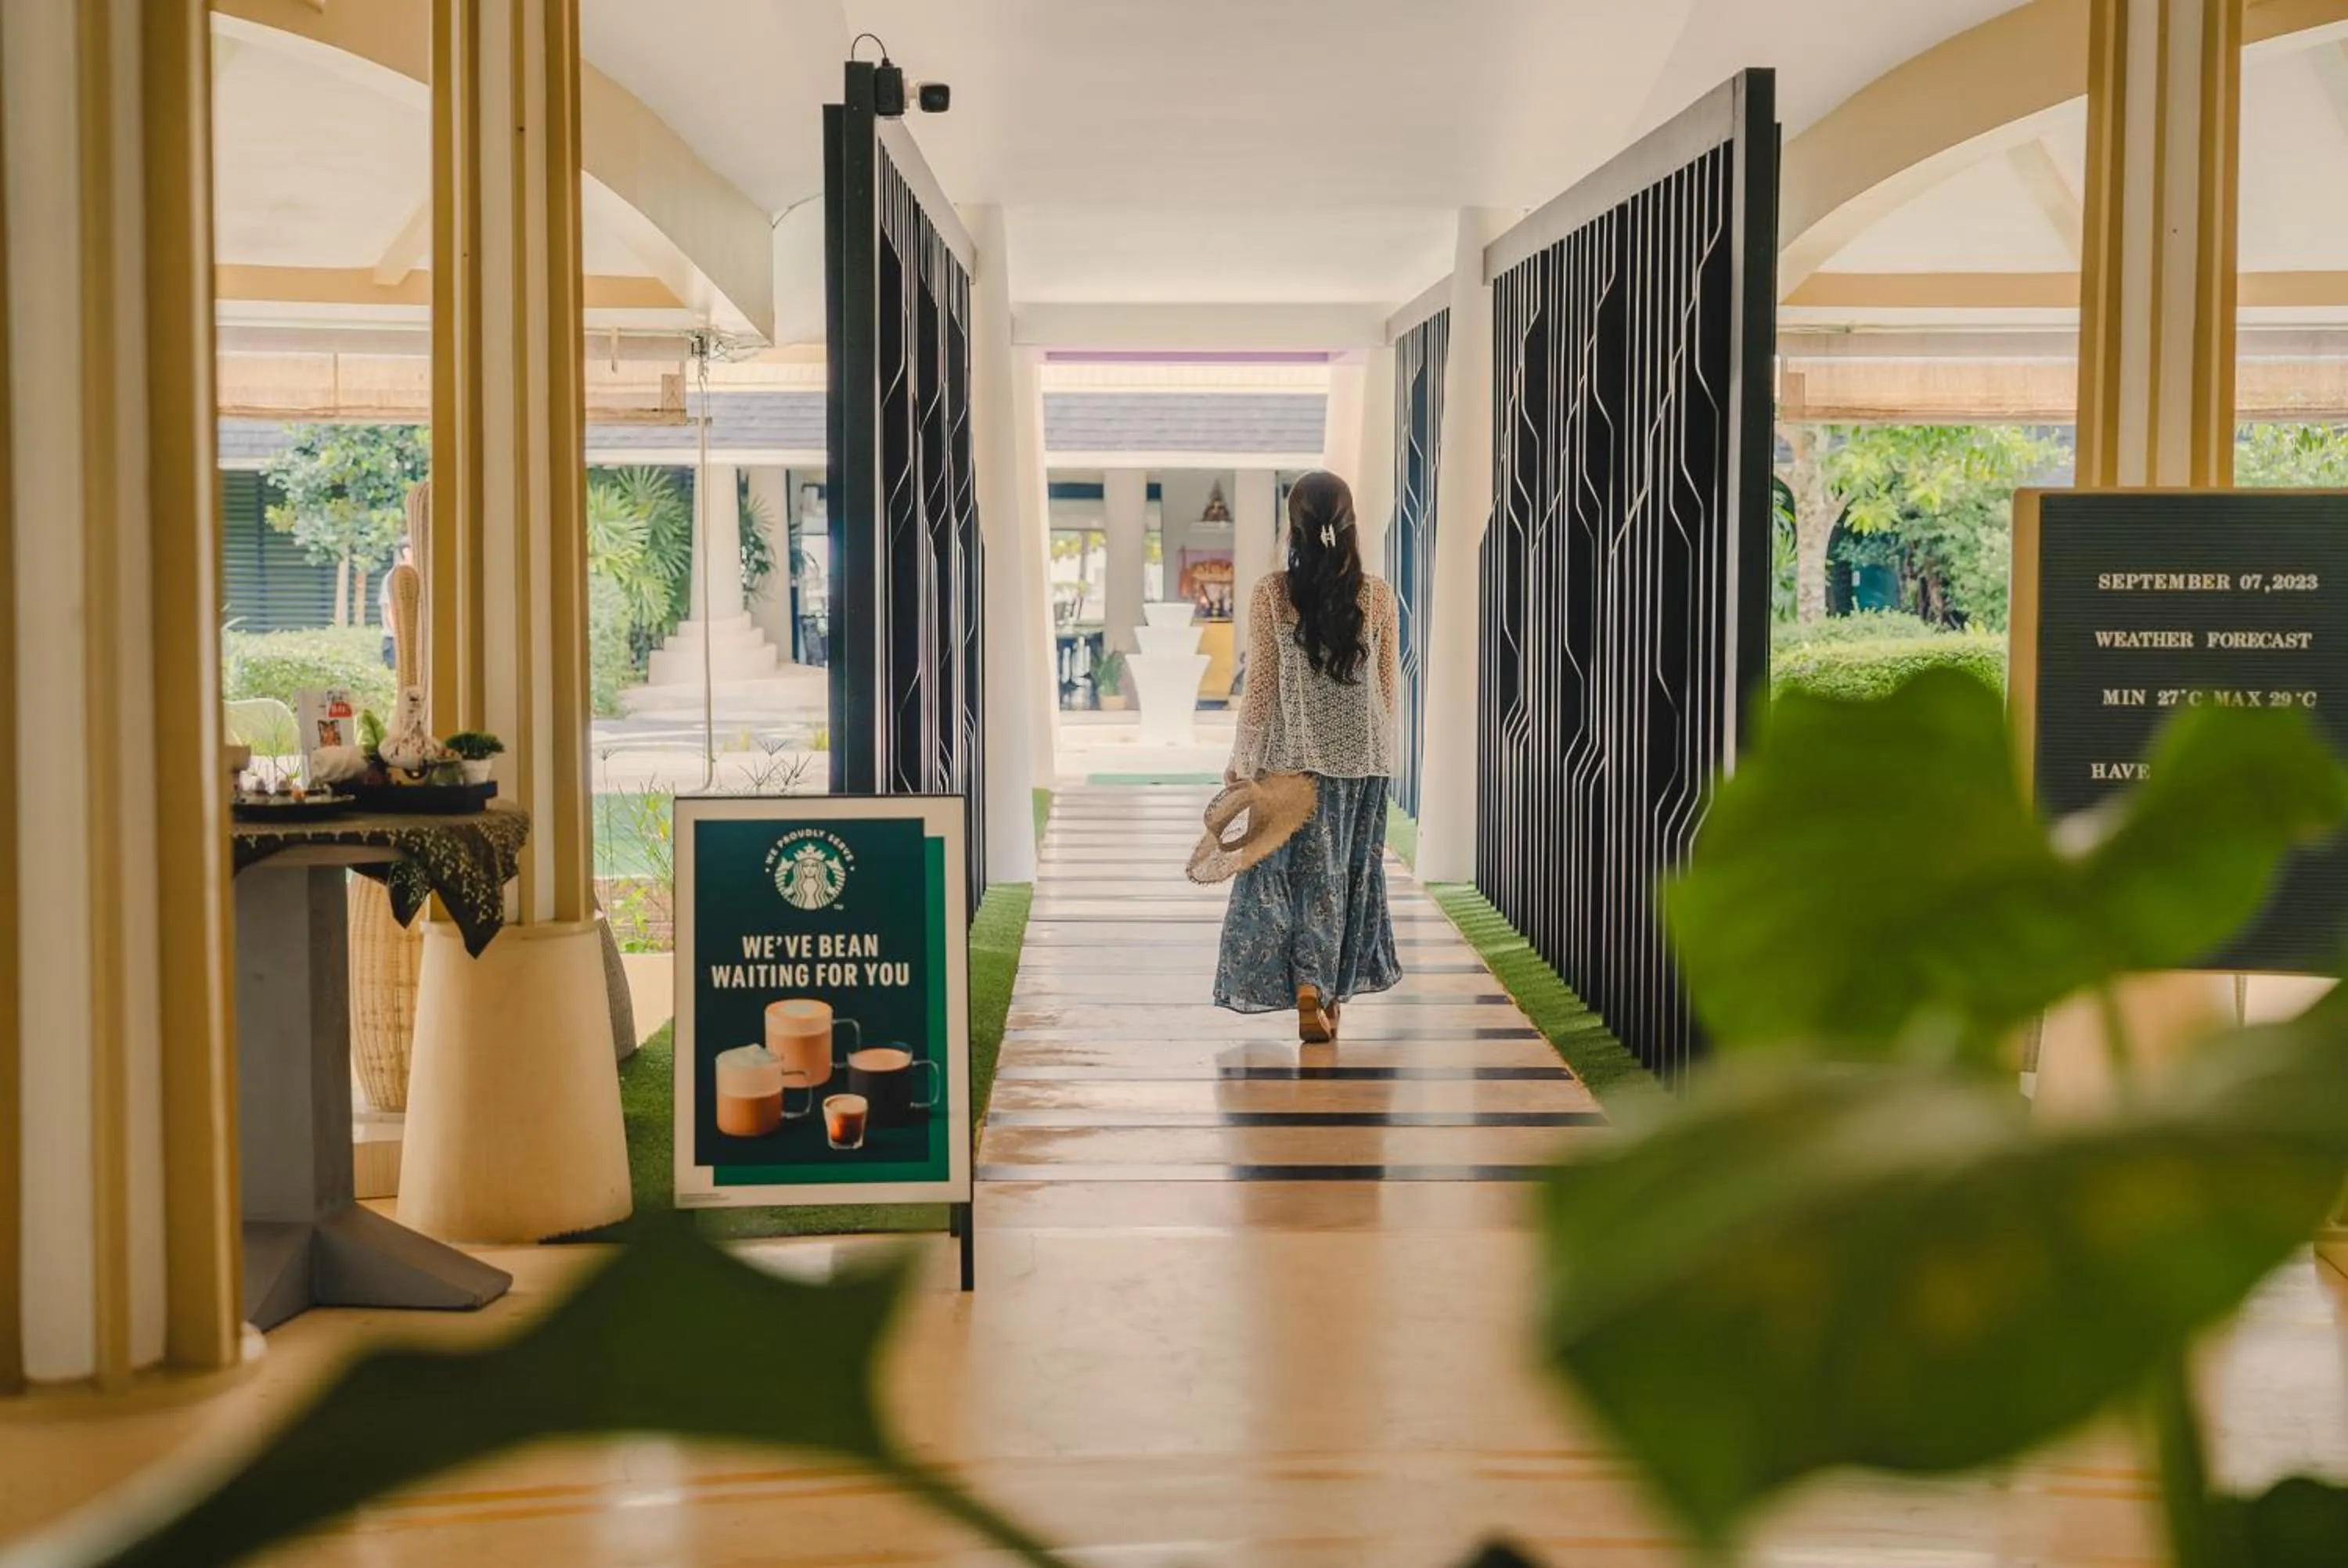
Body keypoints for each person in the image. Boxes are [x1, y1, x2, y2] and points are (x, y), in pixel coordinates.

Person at [1212, 470, 1402, 1042]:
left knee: (1280, 879)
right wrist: (1385, 760)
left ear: (1292, 527)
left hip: (1289, 761)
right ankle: (1324, 991)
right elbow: (1387, 694)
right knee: (1344, 876)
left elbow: (1262, 690)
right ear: (1349, 526)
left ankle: (1304, 986)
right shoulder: (1378, 596)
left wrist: (1242, 761)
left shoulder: (1272, 594)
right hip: (1363, 761)